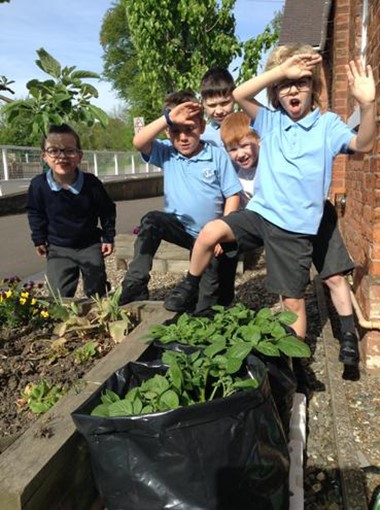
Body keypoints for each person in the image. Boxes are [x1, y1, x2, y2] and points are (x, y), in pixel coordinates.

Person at [164, 44, 376, 355]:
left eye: (301, 83)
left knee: (292, 304)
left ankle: (296, 365)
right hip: (261, 214)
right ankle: (190, 286)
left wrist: (368, 106)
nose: (293, 90)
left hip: (293, 227)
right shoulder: (270, 120)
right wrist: (281, 71)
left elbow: (364, 144)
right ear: (275, 91)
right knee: (211, 232)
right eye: (284, 85)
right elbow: (239, 95)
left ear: (313, 87)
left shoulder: (326, 125)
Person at [220, 110, 361, 367]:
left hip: (315, 214)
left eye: (244, 144)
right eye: (233, 148)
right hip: (283, 228)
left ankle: (349, 334)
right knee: (290, 294)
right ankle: (297, 360)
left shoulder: (273, 147)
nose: (239, 153)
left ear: (259, 137)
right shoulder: (233, 170)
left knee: (333, 275)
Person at [118, 90, 242, 312]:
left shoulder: (215, 155)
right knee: (152, 220)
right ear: (167, 132)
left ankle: (207, 304)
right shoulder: (167, 153)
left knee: (214, 300)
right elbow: (139, 141)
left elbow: (232, 195)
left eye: (189, 129)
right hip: (181, 228)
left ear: (202, 128)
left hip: (211, 237)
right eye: (175, 131)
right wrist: (169, 117)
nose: (183, 137)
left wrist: (224, 232)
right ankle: (135, 282)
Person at [27, 124, 116, 298]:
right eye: (54, 150)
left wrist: (108, 236)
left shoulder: (91, 184)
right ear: (44, 156)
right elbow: (35, 212)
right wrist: (39, 238)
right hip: (58, 247)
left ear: (79, 155)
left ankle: (99, 315)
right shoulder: (39, 185)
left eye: (69, 151)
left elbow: (107, 210)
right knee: (58, 295)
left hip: (89, 245)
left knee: (96, 291)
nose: (62, 157)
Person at [200, 67, 236, 147]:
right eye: (212, 105)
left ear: (234, 99)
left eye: (224, 103)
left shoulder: (249, 128)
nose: (219, 111)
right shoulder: (200, 137)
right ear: (203, 104)